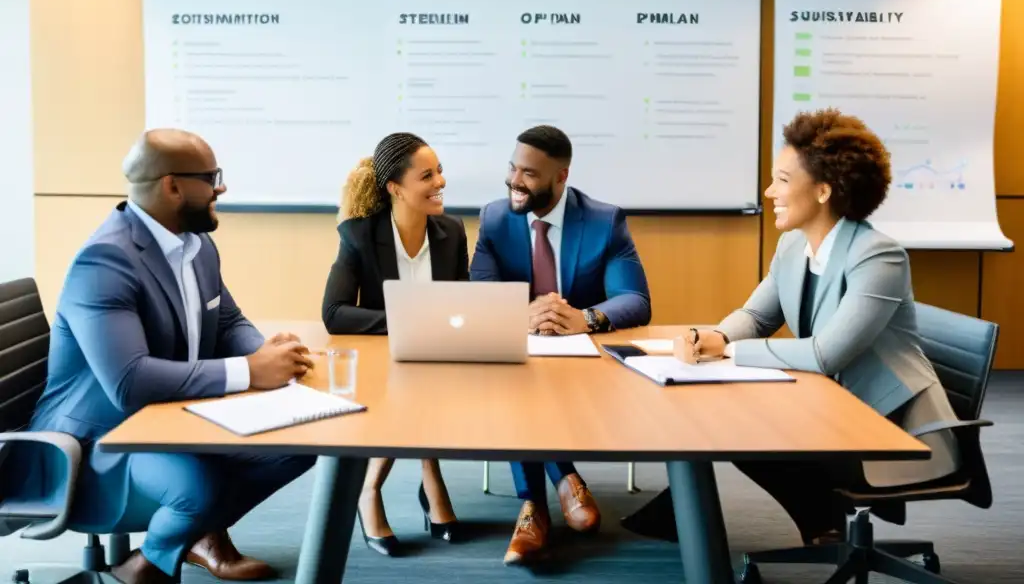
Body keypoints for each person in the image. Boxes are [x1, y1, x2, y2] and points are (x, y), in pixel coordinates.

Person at [621, 108, 961, 546]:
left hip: (895, 431)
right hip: (834, 409)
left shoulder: (878, 256)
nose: (768, 192)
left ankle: (813, 526)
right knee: (731, 417)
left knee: (740, 427)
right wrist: (717, 336)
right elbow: (759, 316)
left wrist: (728, 352)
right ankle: (814, 526)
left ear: (823, 190)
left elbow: (826, 354)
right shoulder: (793, 244)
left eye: (782, 180)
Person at [16, 129, 316, 584]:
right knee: (196, 488)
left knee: (295, 447)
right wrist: (249, 372)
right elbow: (129, 382)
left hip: (167, 417)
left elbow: (228, 322)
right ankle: (147, 565)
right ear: (172, 186)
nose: (221, 187)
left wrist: (265, 352)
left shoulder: (196, 246)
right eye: (211, 177)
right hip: (94, 444)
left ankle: (191, 535)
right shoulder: (104, 262)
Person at [471, 124, 652, 565]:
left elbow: (636, 299)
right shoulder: (495, 217)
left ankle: (535, 507)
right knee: (518, 385)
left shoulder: (604, 220)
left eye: (529, 173)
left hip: (580, 363)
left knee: (528, 387)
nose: (515, 180)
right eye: (513, 167)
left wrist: (584, 318)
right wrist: (525, 313)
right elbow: (481, 297)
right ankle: (558, 482)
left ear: (561, 176)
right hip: (520, 357)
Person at [321, 132, 467, 556]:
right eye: (427, 175)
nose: (440, 181)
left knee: (429, 383)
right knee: (412, 388)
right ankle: (390, 485)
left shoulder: (452, 232)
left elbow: (463, 303)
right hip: (383, 360)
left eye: (439, 171)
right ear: (395, 188)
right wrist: (409, 323)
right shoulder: (359, 235)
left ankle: (400, 481)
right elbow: (335, 312)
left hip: (436, 359)